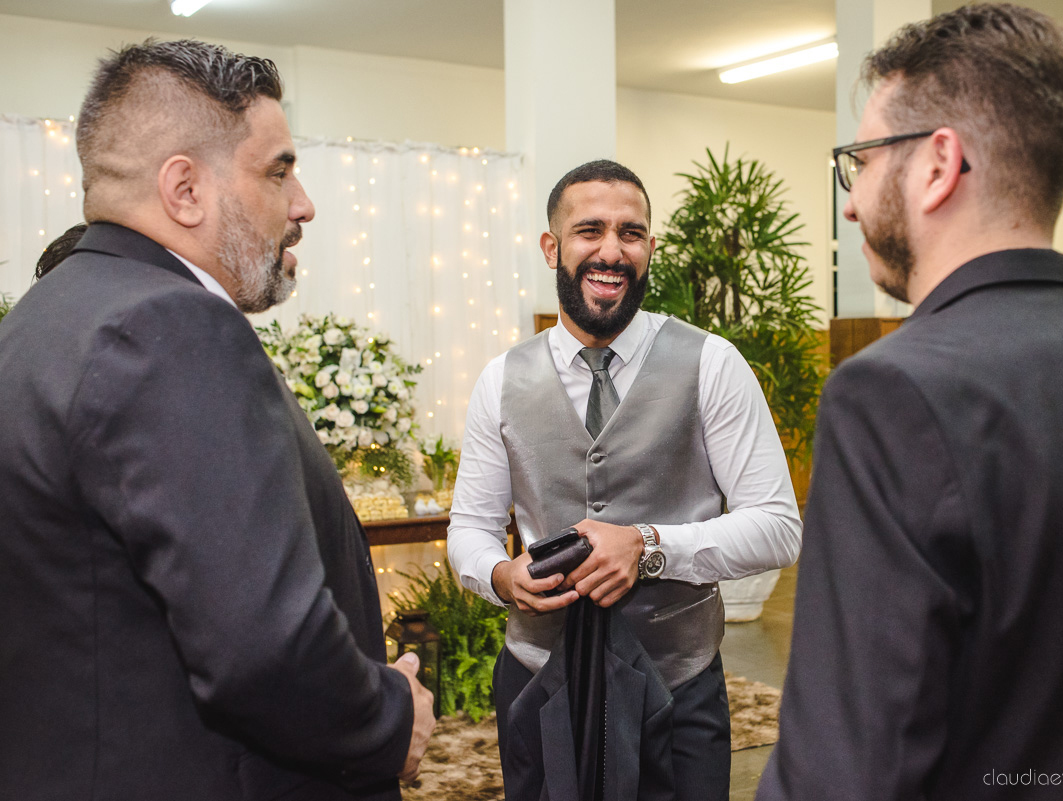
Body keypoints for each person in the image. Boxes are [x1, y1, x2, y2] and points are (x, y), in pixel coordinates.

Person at [757, 5, 1063, 800]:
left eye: (858, 159)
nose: (851, 201)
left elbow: (849, 768)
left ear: (937, 164)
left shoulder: (889, 395)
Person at [0, 40, 433, 800]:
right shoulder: (170, 326)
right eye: (278, 170)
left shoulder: (39, 321)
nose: (302, 204)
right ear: (185, 190)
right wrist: (391, 720)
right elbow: (265, 647)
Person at [447, 158, 803, 799]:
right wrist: (501, 576)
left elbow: (778, 526)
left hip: (678, 684)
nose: (611, 250)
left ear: (650, 248)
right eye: (589, 230)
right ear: (552, 247)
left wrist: (649, 545)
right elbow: (470, 528)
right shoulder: (500, 380)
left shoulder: (713, 366)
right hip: (537, 681)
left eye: (631, 233)